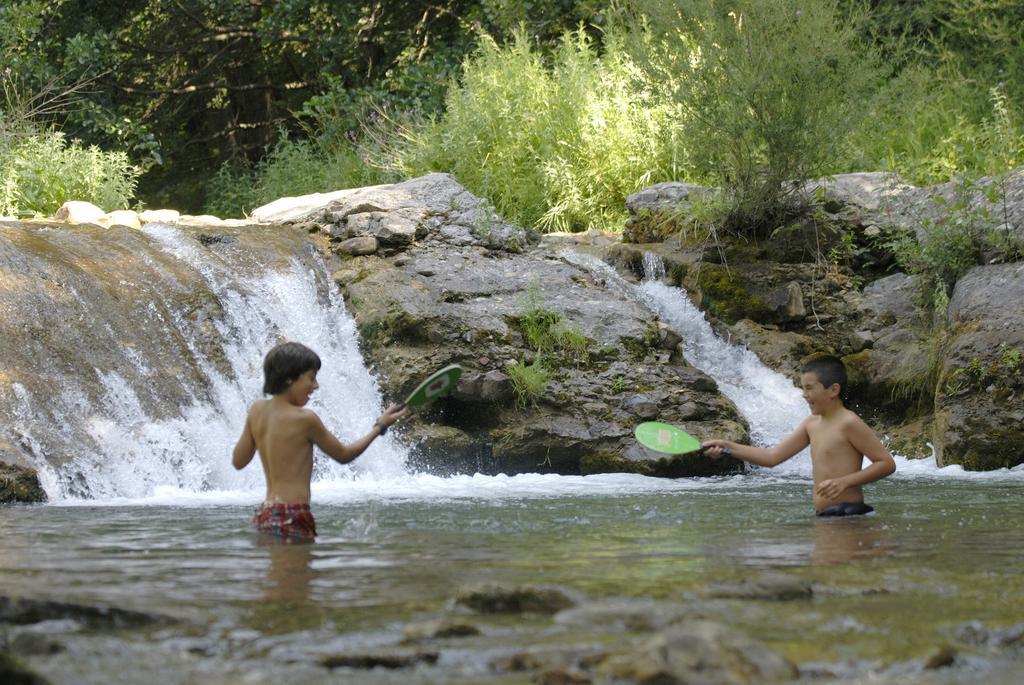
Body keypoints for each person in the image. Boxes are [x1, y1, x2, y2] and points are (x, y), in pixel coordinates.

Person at [232, 341, 407, 540]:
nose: (316, 385)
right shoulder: (305, 419)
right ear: (290, 378)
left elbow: (239, 461)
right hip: (292, 513)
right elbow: (344, 455)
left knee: (277, 571)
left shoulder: (257, 410)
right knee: (297, 572)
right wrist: (380, 426)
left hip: (266, 513)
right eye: (311, 378)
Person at [702, 355, 896, 517]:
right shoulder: (811, 424)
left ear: (833, 390)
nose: (804, 394)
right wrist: (727, 446)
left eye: (809, 388)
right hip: (827, 515)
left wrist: (845, 481)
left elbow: (886, 464)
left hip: (850, 513)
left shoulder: (849, 422)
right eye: (803, 388)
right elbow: (772, 457)